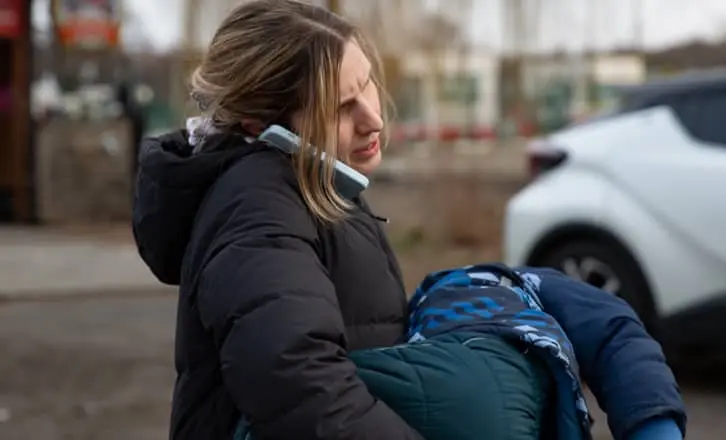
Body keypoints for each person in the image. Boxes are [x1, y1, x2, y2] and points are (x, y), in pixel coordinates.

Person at [132, 1, 684, 440]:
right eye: (340, 105)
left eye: (367, 84)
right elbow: (299, 385)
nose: (372, 116)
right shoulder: (260, 207)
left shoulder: (310, 184)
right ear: (263, 123)